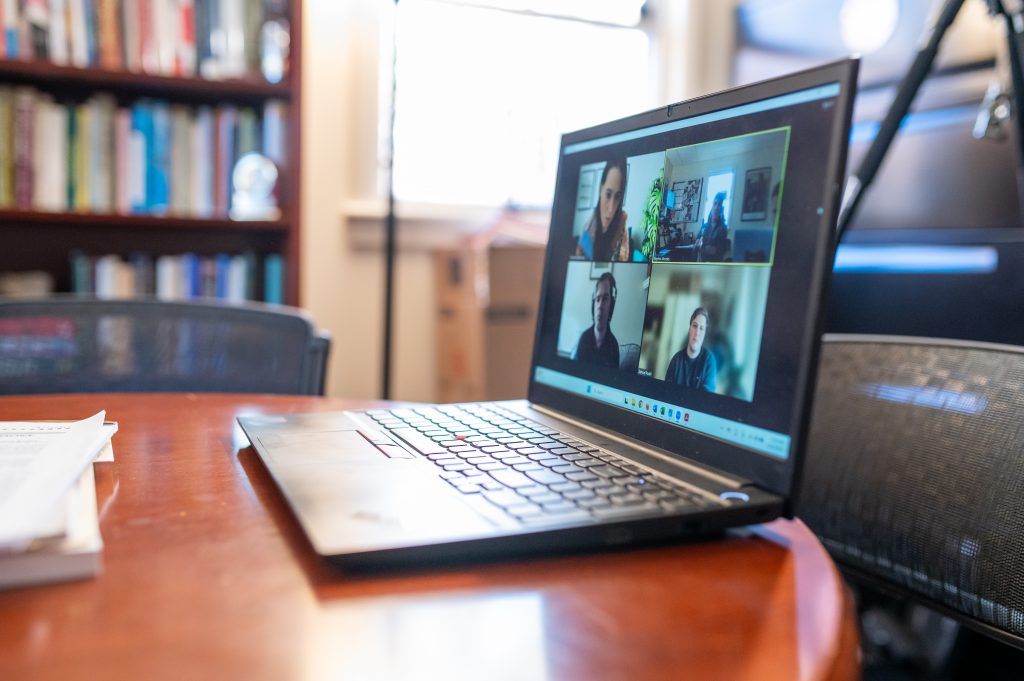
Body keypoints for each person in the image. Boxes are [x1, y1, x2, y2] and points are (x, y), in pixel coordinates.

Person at [575, 159, 630, 262]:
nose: (610, 210)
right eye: (608, 194)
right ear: (601, 189)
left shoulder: (622, 227)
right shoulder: (588, 229)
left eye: (617, 197)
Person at [573, 272, 619, 368]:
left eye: (605, 299)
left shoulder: (614, 347)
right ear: (593, 304)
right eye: (597, 299)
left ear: (611, 306)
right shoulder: (583, 339)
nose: (600, 306)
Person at [664, 306, 716, 391]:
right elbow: (666, 392)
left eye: (701, 328)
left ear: (705, 333)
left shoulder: (709, 361)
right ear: (689, 329)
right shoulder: (676, 360)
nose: (697, 333)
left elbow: (706, 400)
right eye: (695, 326)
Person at [695, 191, 729, 262]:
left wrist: (701, 248)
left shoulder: (723, 228)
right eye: (715, 204)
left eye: (719, 205)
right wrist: (697, 243)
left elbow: (715, 251)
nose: (716, 207)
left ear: (721, 209)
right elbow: (697, 241)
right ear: (712, 206)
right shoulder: (704, 226)